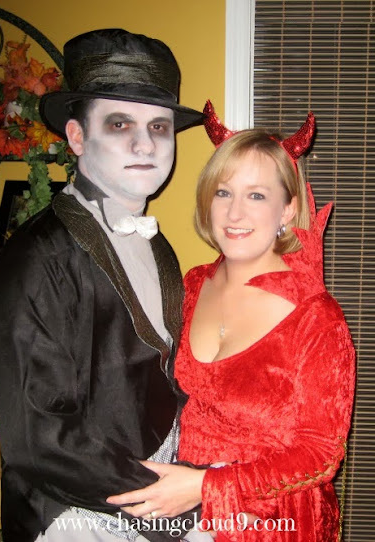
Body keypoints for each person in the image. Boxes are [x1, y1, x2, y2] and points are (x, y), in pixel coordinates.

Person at [0, 29, 204, 542]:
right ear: (77, 137)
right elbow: (40, 439)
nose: (145, 144)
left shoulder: (159, 247)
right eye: (120, 123)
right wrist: (171, 509)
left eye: (159, 127)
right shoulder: (35, 259)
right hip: (73, 516)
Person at [106, 102, 356, 541]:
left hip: (272, 523)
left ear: (287, 210)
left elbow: (320, 455)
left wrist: (207, 487)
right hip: (182, 516)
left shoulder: (317, 318)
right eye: (223, 193)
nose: (234, 213)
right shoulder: (190, 284)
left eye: (256, 195)